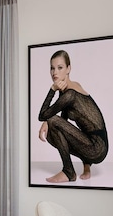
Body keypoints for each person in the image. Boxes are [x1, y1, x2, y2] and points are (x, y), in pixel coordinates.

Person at [37, 50, 108, 183]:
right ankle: (86, 162)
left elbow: (42, 115)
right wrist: (48, 122)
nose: (54, 72)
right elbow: (62, 123)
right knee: (52, 131)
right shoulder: (69, 88)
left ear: (68, 69)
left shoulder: (70, 94)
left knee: (52, 122)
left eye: (60, 67)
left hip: (97, 147)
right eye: (52, 68)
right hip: (94, 144)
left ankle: (68, 171)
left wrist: (52, 89)